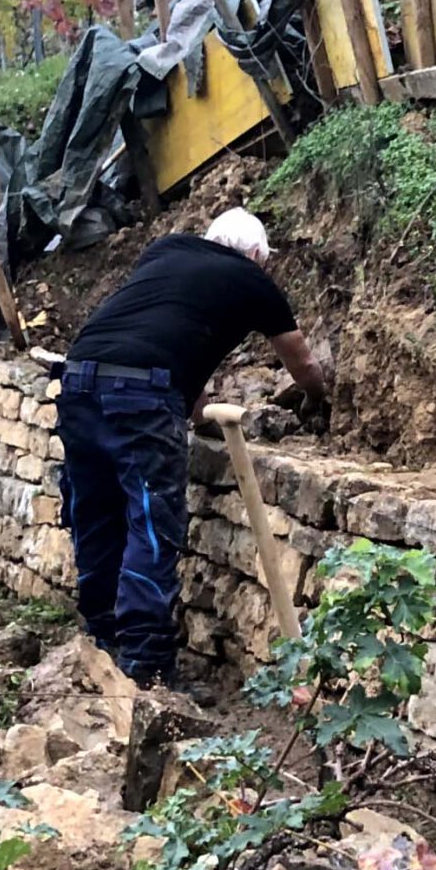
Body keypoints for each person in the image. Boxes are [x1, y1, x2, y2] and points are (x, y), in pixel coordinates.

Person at [55, 208, 331, 685]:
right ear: (256, 254)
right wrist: (317, 399)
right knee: (150, 521)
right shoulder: (252, 280)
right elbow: (302, 363)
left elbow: (171, 337)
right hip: (142, 396)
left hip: (79, 379)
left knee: (95, 512)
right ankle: (145, 666)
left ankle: (100, 641)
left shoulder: (166, 250)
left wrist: (198, 413)